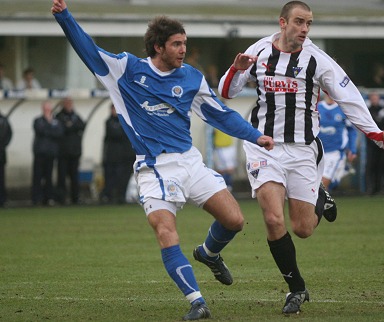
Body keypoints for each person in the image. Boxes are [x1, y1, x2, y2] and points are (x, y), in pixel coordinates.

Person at [51, 1, 274, 320]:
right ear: (158, 46)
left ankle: (208, 254)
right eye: (177, 44)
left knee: (235, 220)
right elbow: (88, 49)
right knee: (166, 231)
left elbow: (220, 115)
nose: (184, 49)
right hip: (154, 168)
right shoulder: (126, 70)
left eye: (185, 43)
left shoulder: (192, 78)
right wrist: (64, 16)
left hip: (190, 163)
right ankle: (197, 300)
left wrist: (255, 136)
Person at [218, 1, 384, 315]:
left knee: (303, 228)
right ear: (282, 22)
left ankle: (321, 196)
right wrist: (236, 70)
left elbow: (349, 97)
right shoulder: (260, 51)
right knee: (272, 218)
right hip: (263, 146)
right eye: (300, 22)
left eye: (309, 24)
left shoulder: (317, 60)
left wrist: (374, 133)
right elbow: (228, 92)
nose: (305, 29)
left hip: (303, 150)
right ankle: (296, 289)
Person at [317, 93, 357, 191]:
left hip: (335, 152)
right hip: (317, 152)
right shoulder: (317, 107)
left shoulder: (342, 109)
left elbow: (351, 130)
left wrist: (352, 149)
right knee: (315, 186)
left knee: (322, 184)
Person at [100, 103, 135, 204]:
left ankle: (121, 196)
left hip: (126, 156)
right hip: (113, 157)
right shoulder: (109, 122)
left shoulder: (127, 121)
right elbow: (117, 134)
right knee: (111, 178)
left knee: (123, 178)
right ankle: (109, 197)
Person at [31, 100, 63, 206]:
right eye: (46, 109)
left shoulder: (56, 121)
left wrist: (48, 128)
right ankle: (36, 198)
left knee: (49, 177)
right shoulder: (38, 120)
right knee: (37, 176)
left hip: (51, 153)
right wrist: (50, 128)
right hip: (40, 152)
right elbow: (40, 130)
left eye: (49, 108)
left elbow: (59, 133)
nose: (47, 111)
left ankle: (48, 198)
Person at [55, 96, 85, 205]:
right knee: (62, 177)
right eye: (67, 103)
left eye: (70, 103)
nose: (69, 106)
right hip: (62, 152)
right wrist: (72, 128)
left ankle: (75, 198)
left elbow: (82, 125)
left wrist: (70, 127)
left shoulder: (75, 116)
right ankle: (61, 198)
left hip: (75, 152)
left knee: (74, 177)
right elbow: (61, 129)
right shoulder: (59, 116)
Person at [365, 92, 384, 195]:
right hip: (371, 143)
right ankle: (370, 188)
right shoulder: (367, 110)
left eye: (376, 98)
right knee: (371, 166)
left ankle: (380, 187)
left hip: (381, 143)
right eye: (373, 98)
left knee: (380, 166)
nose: (374, 100)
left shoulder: (383, 110)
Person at [0, 110, 12, 207]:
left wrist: (3, 145)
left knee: (1, 178)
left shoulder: (3, 119)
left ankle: (2, 199)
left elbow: (9, 134)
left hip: (1, 153)